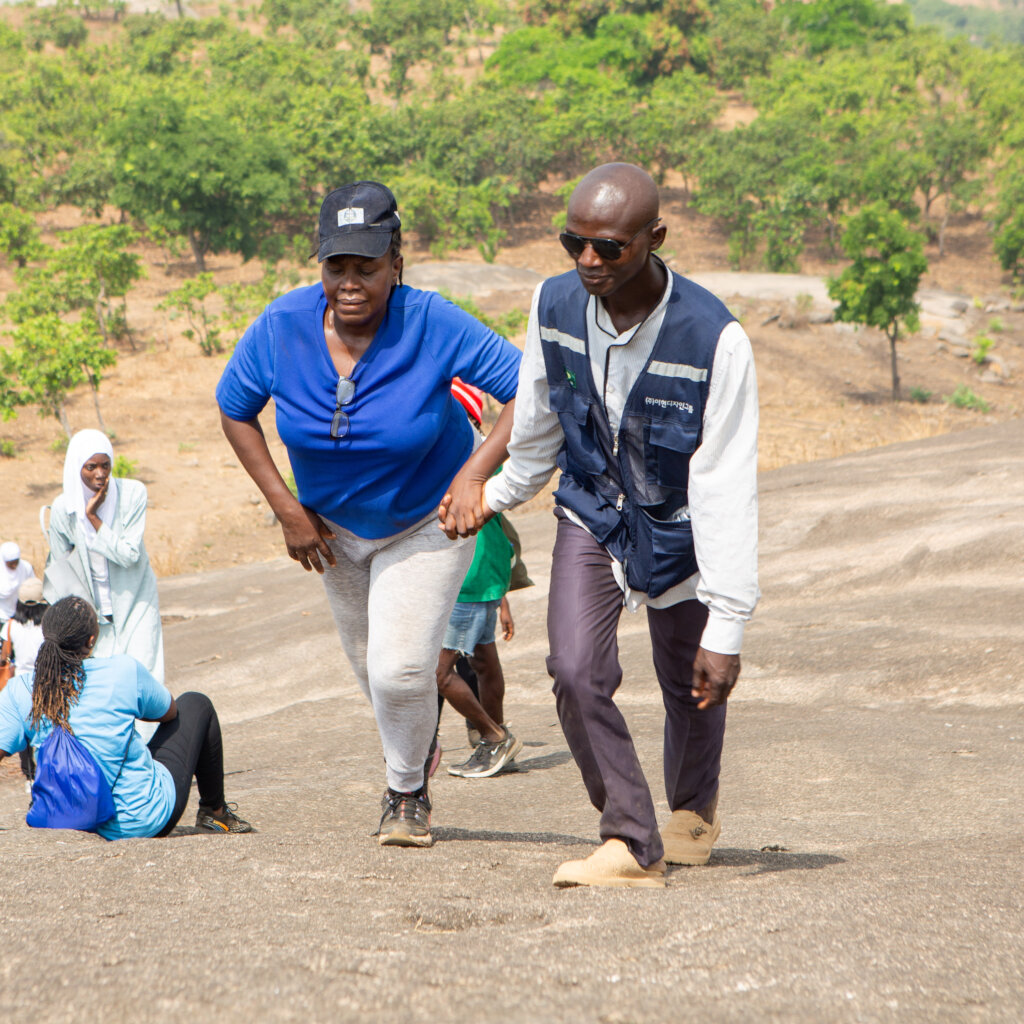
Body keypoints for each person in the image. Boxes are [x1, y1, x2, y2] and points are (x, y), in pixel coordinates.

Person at [441, 163, 759, 888]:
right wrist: (495, 494)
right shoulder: (554, 303)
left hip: (682, 527)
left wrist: (730, 625)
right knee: (575, 669)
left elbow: (725, 485)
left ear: (655, 238)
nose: (588, 262)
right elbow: (540, 416)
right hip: (592, 510)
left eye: (608, 248)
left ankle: (692, 813)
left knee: (695, 680)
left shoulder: (715, 339)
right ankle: (630, 839)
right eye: (573, 243)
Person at [216, 181, 520, 848]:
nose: (351, 283)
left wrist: (476, 475)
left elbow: (530, 389)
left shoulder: (432, 321)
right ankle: (417, 744)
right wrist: (286, 508)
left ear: (396, 264)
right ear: (320, 265)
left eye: (367, 267)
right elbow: (234, 407)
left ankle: (406, 794)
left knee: (400, 670)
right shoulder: (280, 328)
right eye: (337, 267)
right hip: (331, 531)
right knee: (373, 674)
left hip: (426, 520)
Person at [0, 596, 251, 839]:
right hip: (141, 821)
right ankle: (215, 813)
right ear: (91, 641)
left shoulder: (20, 690)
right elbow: (169, 712)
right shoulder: (121, 671)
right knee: (196, 703)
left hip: (61, 823)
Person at [437, 380, 523, 779]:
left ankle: (493, 736)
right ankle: (496, 740)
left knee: (433, 671)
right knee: (484, 660)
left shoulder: (461, 460)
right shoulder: (486, 457)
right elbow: (498, 531)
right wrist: (502, 594)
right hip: (484, 576)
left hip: (467, 579)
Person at [43, 430, 164, 696]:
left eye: (105, 465)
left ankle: (149, 738)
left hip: (136, 601)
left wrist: (94, 519)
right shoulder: (63, 509)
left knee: (143, 678)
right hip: (92, 615)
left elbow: (129, 555)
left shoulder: (133, 494)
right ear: (77, 468)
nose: (100, 474)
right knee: (102, 687)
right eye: (91, 467)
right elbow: (62, 569)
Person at [2, 577, 48, 782]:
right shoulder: (47, 625)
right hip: (44, 682)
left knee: (25, 734)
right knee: (44, 729)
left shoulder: (10, 625)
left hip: (19, 684)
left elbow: (4, 656)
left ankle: (29, 775)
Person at [1, 542, 35, 627]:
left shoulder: (25, 567)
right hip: (2, 615)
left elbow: (33, 585)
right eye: (11, 563)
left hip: (19, 614)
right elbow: (4, 592)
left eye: (16, 562)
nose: (14, 565)